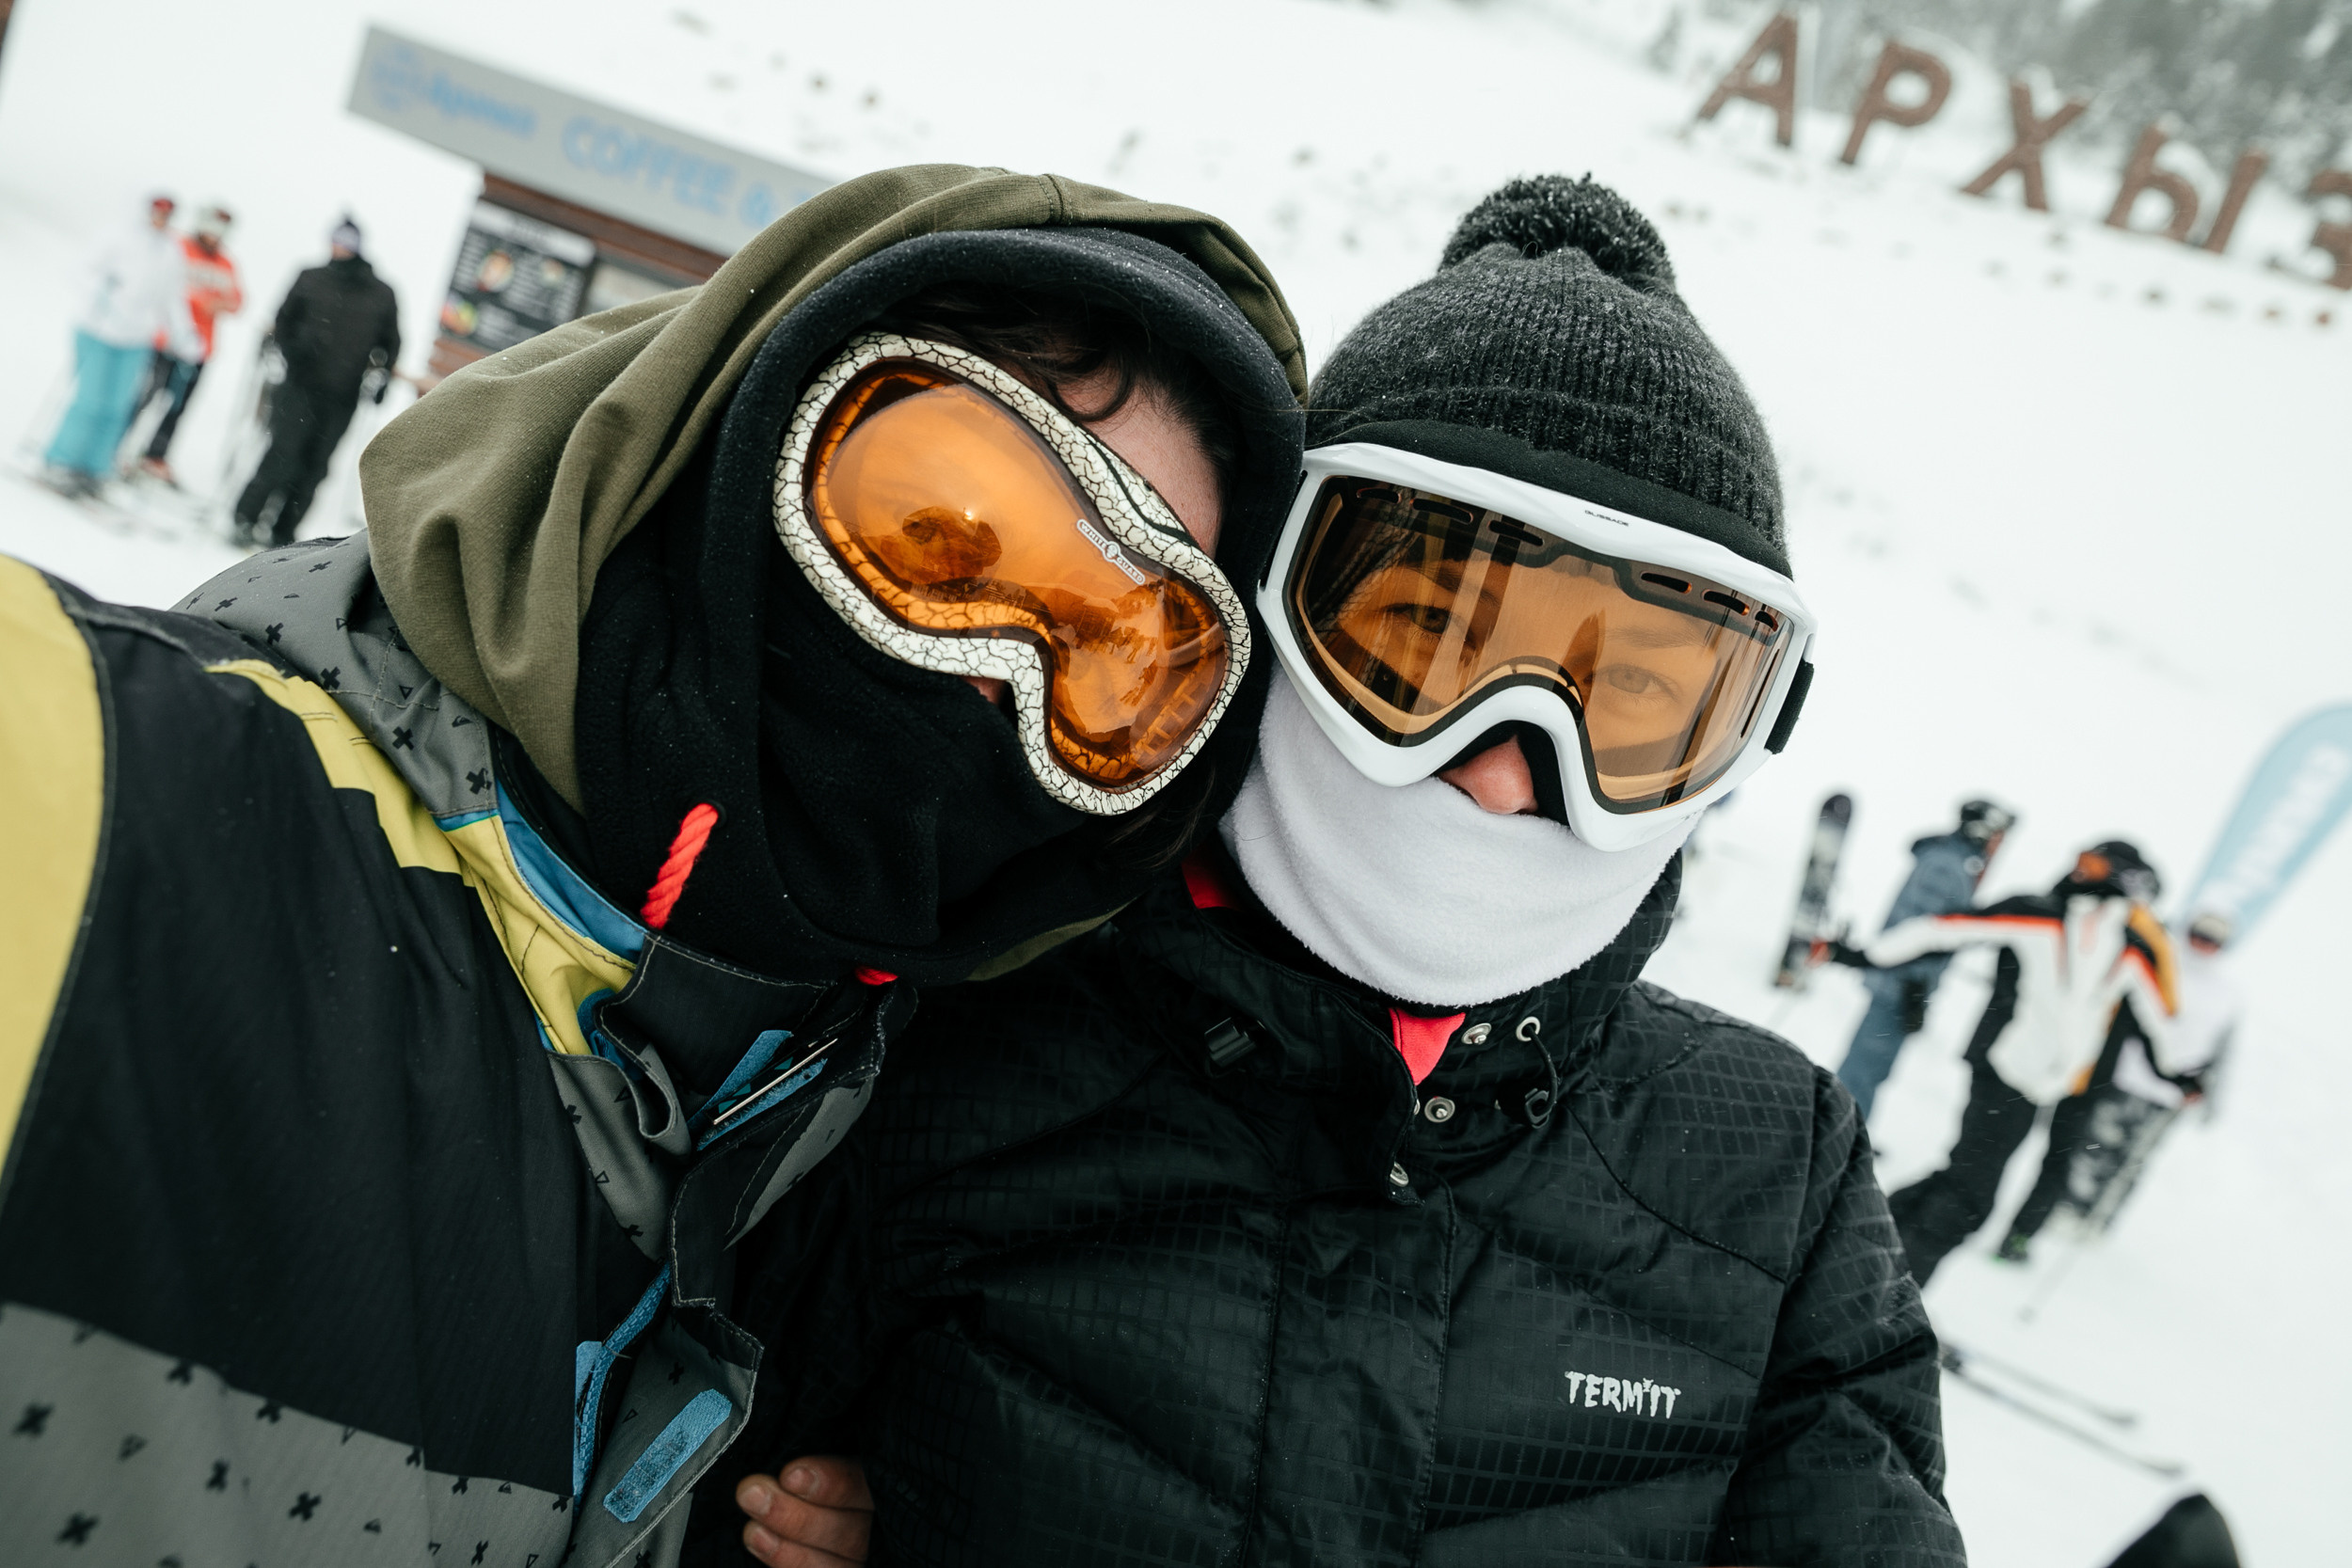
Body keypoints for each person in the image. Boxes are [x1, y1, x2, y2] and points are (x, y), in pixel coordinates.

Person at [0, 165, 1304, 1568]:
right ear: (738, 431)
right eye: (933, 530)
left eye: (1120, 662)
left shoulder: (893, 1140)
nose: (993, 677)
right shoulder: (96, 792)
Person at [716, 176, 1963, 1567]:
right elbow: (681, 1472)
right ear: (1274, 598)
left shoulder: (1767, 1175)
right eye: (1427, 641)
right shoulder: (959, 1023)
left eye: (1628, 702)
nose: (1503, 765)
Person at [1836, 840, 2181, 1285]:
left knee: (1959, 1181)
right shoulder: (2039, 913)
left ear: (2121, 879)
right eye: (2076, 860)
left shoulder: (2130, 947)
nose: (2077, 871)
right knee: (1970, 1196)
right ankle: (1891, 1290)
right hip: (2003, 1067)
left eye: (2092, 865)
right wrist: (1864, 955)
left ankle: (1861, 1255)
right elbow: (1942, 930)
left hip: (2046, 1083)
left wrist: (2178, 1073)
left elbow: (2158, 1017)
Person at [1996, 908, 2238, 1259]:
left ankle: (2070, 1223)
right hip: (2106, 1073)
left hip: (2153, 1089)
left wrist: (2197, 1090)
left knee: (2119, 1160)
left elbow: (2215, 1050)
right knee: (2080, 1147)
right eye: (2199, 935)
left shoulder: (2226, 994)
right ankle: (2042, 1211)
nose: (2203, 945)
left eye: (2213, 941)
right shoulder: (2151, 959)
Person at [1836, 798, 2015, 1120]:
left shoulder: (1959, 864)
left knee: (1874, 1066)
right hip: (1900, 986)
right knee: (1866, 1065)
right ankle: (1839, 1136)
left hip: (1903, 984)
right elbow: (1918, 930)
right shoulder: (1948, 866)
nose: (2000, 845)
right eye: (1998, 835)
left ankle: (1846, 1135)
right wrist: (1914, 989)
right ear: (1982, 830)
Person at [230, 215, 401, 546]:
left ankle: (283, 531)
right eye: (336, 240)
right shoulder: (311, 277)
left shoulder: (380, 293)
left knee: (315, 465)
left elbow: (391, 342)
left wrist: (383, 379)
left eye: (346, 242)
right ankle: (245, 517)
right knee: (283, 453)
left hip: (343, 394)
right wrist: (293, 351)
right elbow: (283, 321)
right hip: (300, 385)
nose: (339, 247)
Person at [41, 193, 198, 497]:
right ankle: (62, 460)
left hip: (136, 338)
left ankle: (95, 467)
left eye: (168, 212)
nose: (161, 217)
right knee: (91, 400)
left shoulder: (170, 250)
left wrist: (184, 334)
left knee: (117, 406)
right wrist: (100, 291)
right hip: (99, 329)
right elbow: (80, 271)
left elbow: (173, 298)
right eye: (157, 210)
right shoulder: (118, 236)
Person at [131, 200, 244, 483]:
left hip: (199, 349)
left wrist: (220, 303)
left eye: (222, 228)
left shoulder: (225, 262)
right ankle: (116, 443)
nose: (215, 233)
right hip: (165, 340)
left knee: (178, 406)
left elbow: (237, 299)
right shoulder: (180, 248)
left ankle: (155, 455)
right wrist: (201, 300)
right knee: (144, 395)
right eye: (212, 225)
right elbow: (168, 286)